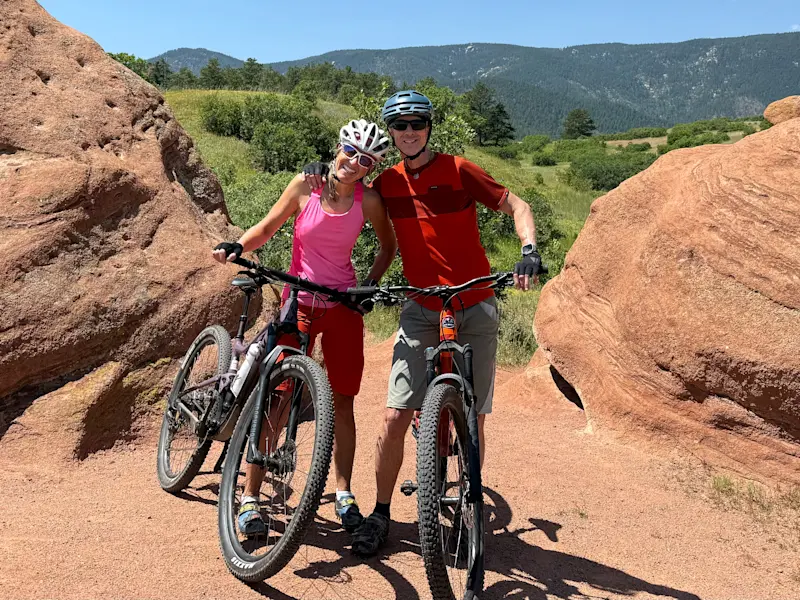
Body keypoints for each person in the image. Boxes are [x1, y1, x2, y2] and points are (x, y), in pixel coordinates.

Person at [303, 90, 542, 557]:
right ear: (391, 133)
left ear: (429, 127)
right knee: (395, 415)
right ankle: (381, 513)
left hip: (474, 303)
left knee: (473, 415)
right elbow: (342, 189)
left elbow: (518, 206)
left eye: (417, 123)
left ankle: (470, 501)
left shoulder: (459, 169)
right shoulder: (387, 182)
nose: (409, 131)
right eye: (400, 125)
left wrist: (529, 251)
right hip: (420, 308)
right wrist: (317, 171)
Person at [213, 119, 398, 537]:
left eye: (366, 160)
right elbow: (268, 227)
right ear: (338, 147)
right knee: (278, 399)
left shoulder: (368, 201)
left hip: (343, 305)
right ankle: (250, 497)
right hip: (299, 300)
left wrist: (370, 284)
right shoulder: (305, 185)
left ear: (372, 168)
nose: (355, 162)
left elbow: (388, 246)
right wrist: (238, 245)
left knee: (343, 402)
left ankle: (344, 494)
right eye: (351, 151)